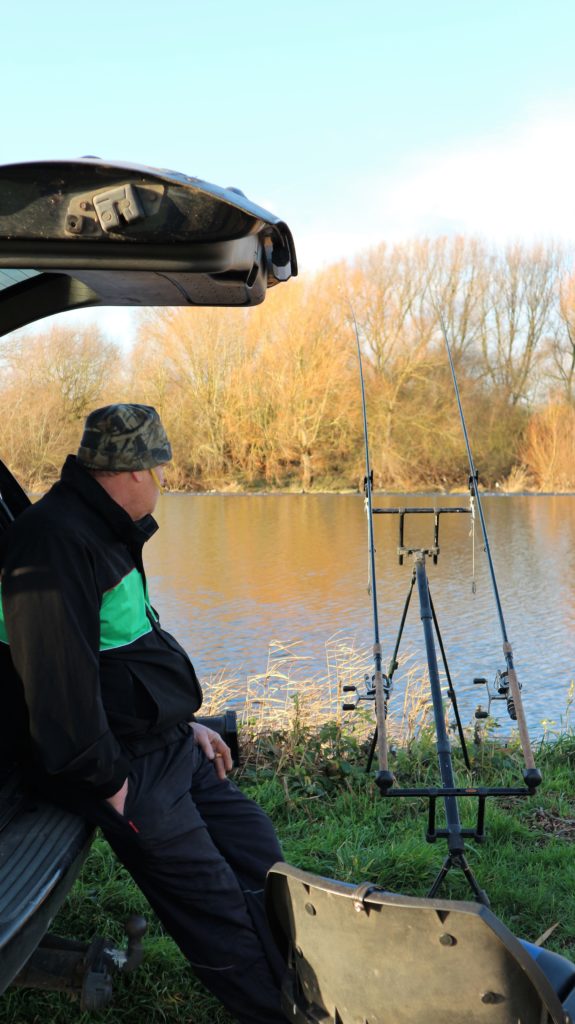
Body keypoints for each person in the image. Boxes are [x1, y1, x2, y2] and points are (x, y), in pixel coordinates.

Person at [0, 404, 286, 1024]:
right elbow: (56, 691)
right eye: (159, 471)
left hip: (165, 743)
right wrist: (113, 786)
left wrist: (187, 725)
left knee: (256, 848)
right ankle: (278, 1009)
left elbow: (127, 651)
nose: (162, 484)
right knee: (212, 901)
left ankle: (305, 975)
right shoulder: (55, 542)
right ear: (133, 472)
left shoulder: (106, 529)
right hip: (122, 766)